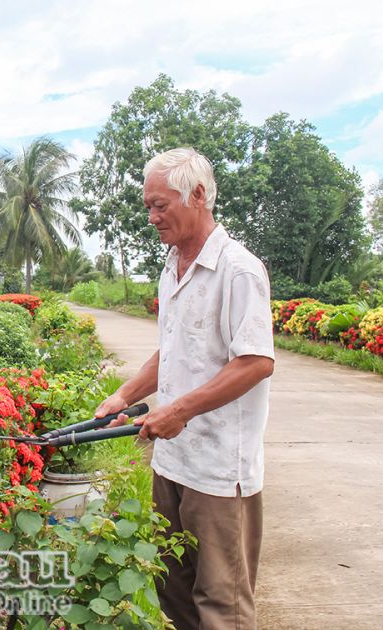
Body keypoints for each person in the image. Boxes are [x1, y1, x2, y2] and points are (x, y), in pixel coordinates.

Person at [95, 148, 275, 629]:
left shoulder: (238, 270)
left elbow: (256, 362)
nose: (152, 217)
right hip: (172, 463)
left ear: (197, 195)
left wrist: (180, 411)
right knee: (173, 594)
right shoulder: (172, 266)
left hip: (219, 473)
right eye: (148, 206)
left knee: (222, 604)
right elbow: (173, 349)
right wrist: (124, 396)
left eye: (160, 205)